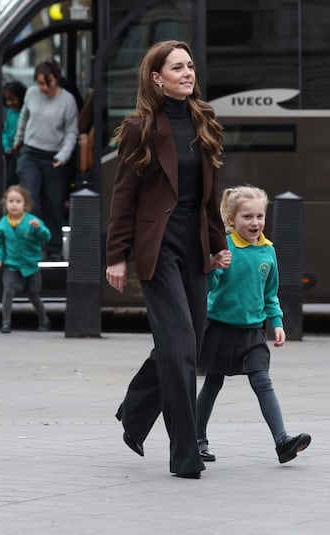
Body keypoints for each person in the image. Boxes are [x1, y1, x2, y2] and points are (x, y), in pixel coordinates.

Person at [105, 40, 230, 479]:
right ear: (157, 78)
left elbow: (208, 196)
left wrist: (218, 243)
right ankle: (185, 453)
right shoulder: (141, 128)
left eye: (190, 66)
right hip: (157, 250)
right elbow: (124, 196)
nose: (188, 73)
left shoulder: (205, 121)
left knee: (186, 348)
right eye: (178, 67)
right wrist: (116, 256)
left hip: (195, 246)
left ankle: (136, 409)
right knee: (178, 350)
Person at [195, 185, 311, 465]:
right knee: (213, 382)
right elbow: (209, 287)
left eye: (260, 216)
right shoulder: (225, 247)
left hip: (253, 331)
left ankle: (282, 441)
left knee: (263, 381)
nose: (255, 223)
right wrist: (214, 266)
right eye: (247, 217)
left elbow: (270, 293)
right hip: (220, 328)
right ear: (231, 219)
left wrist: (278, 323)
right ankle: (196, 438)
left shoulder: (268, 251)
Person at [13, 60, 78, 260]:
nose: (44, 88)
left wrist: (63, 156)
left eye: (47, 83)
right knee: (30, 199)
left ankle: (54, 248)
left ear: (56, 79)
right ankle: (32, 244)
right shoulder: (32, 94)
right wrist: (18, 141)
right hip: (30, 153)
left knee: (54, 203)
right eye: (40, 83)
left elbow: (71, 132)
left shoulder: (67, 101)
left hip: (54, 158)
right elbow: (24, 118)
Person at [0, 185, 51, 333]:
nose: (14, 204)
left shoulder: (32, 221)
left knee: (33, 295)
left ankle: (44, 319)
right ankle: (6, 323)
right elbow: (0, 244)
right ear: (5, 204)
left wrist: (39, 228)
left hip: (30, 264)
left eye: (18, 201)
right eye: (11, 201)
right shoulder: (3, 224)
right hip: (11, 264)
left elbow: (46, 237)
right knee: (8, 291)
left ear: (25, 205)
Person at [1, 81, 26, 186]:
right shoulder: (9, 113)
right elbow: (5, 132)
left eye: (12, 99)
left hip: (20, 151)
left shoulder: (24, 114)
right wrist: (7, 147)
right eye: (7, 100)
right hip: (9, 152)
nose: (9, 103)